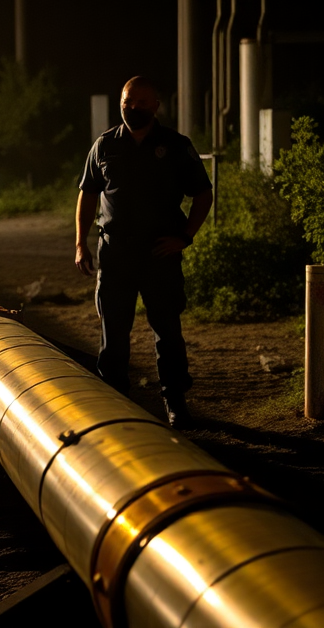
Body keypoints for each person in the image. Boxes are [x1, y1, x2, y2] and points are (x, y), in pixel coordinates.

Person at [75, 76, 213, 426]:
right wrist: (80, 243)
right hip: (115, 253)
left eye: (140, 102)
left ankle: (175, 401)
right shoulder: (105, 145)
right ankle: (116, 401)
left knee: (167, 329)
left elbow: (202, 194)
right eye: (127, 101)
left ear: (156, 106)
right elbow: (88, 194)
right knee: (114, 332)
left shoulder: (175, 145)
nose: (132, 107)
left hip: (159, 255)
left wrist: (185, 236)